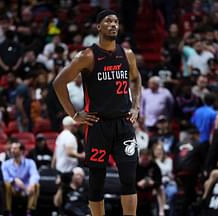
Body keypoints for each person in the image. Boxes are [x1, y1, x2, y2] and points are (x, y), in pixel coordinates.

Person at [53, 10, 142, 216]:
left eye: (116, 21)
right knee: (96, 182)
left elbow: (136, 79)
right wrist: (74, 114)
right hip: (98, 125)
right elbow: (58, 83)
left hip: (123, 124)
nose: (113, 25)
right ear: (98, 27)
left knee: (129, 178)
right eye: (108, 21)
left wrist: (136, 106)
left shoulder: (127, 54)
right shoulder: (87, 56)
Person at [1, 141, 40, 216]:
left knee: (36, 185)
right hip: (13, 188)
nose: (12, 150)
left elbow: (35, 175)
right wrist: (14, 180)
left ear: (21, 151)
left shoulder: (30, 162)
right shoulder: (6, 164)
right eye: (11, 148)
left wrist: (31, 184)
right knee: (6, 184)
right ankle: (8, 211)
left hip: (26, 188)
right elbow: (4, 176)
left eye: (15, 148)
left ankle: (29, 211)